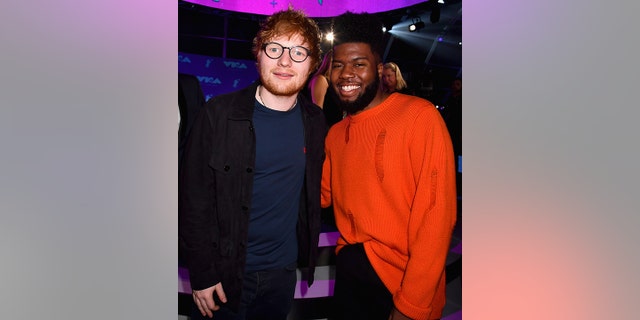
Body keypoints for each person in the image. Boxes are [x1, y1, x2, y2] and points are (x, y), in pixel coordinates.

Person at [179, 8, 327, 320]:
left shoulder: (315, 121)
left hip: (282, 275)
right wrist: (203, 273)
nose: (285, 61)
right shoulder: (217, 114)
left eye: (299, 52)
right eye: (274, 49)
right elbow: (192, 199)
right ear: (258, 54)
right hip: (224, 273)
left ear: (312, 65)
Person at [321, 12, 457, 320]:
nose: (346, 74)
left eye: (359, 63)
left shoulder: (418, 117)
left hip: (402, 280)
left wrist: (412, 304)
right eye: (338, 65)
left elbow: (436, 215)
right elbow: (321, 195)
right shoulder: (335, 133)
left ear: (380, 70)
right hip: (350, 268)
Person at [307, 51, 344, 128]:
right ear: (329, 63)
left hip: (335, 129)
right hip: (325, 130)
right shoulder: (321, 79)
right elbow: (317, 111)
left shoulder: (335, 83)